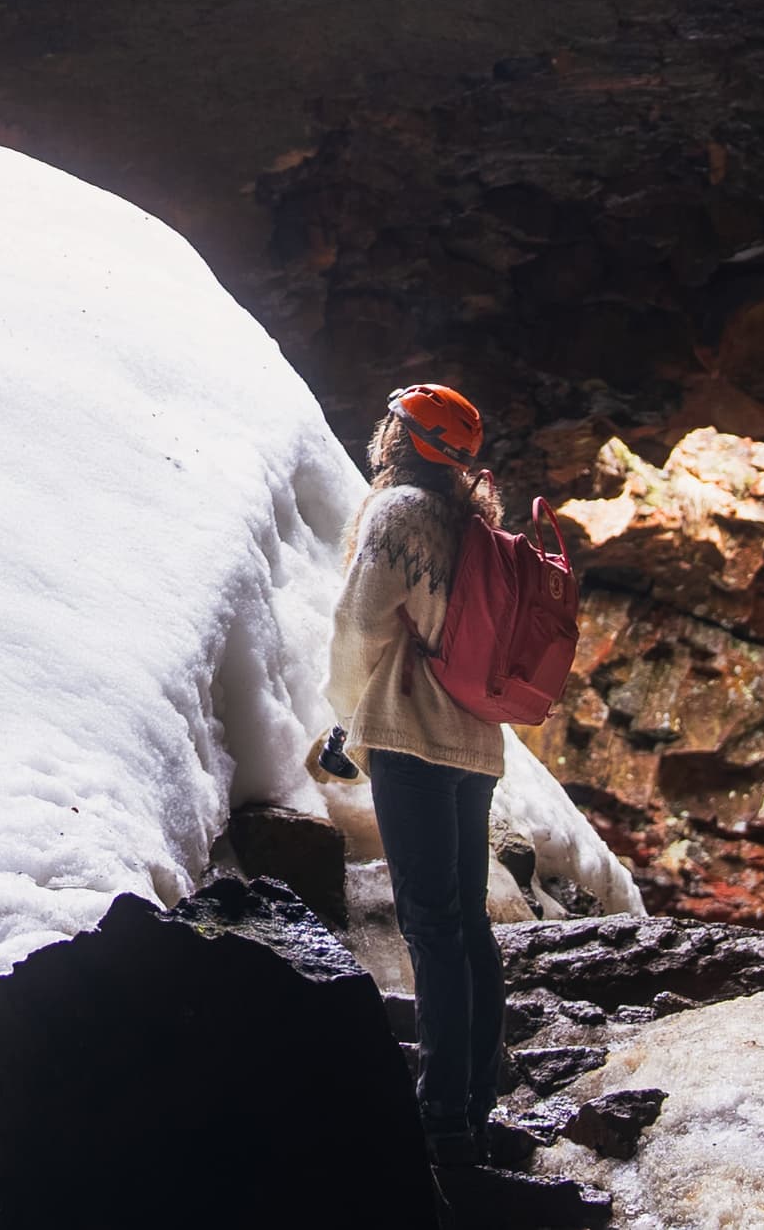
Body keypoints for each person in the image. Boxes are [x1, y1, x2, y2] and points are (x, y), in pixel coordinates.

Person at [326, 382, 507, 1176]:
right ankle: (475, 1102)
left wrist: (345, 714)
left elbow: (360, 624)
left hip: (413, 736)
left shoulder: (399, 513)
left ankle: (442, 1120)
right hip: (476, 744)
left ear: (400, 441)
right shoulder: (476, 520)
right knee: (466, 926)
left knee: (432, 928)